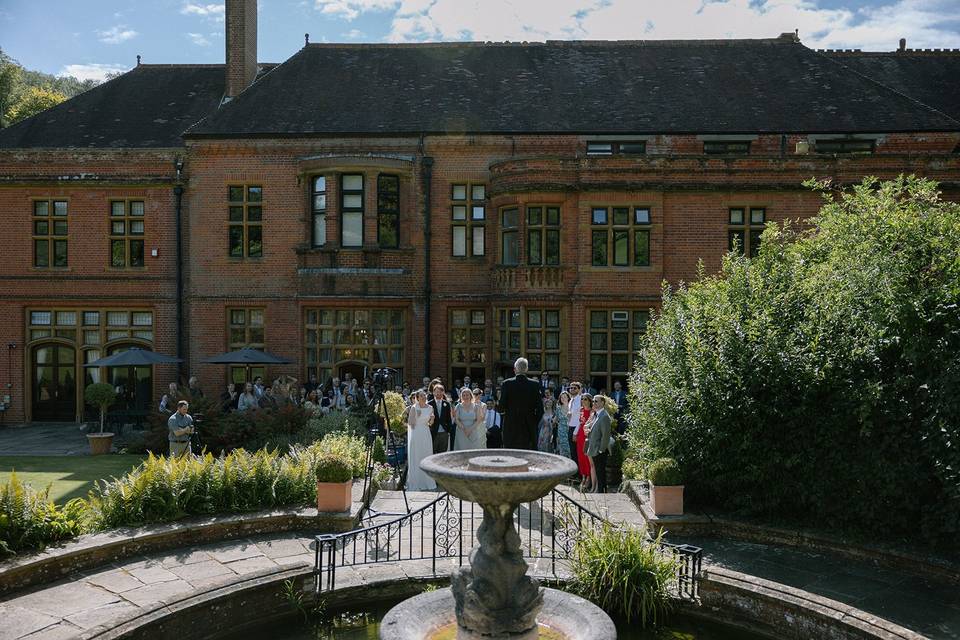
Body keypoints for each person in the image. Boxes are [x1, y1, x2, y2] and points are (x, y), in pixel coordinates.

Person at [498, 357, 544, 450]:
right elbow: (540, 409)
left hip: (510, 426)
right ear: (527, 369)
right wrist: (533, 421)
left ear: (515, 369)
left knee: (511, 456)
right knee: (529, 456)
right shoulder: (534, 385)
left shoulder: (506, 384)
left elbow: (501, 407)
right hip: (529, 426)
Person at [405, 390, 437, 491]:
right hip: (416, 433)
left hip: (426, 433)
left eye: (424, 395)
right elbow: (410, 423)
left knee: (426, 455)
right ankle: (416, 482)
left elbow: (430, 423)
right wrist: (416, 416)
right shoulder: (414, 407)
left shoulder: (430, 407)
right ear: (417, 398)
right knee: (417, 455)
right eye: (421, 396)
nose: (423, 397)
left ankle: (427, 481)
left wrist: (432, 419)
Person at [585, 395, 613, 493]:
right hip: (594, 448)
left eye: (596, 401)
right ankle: (599, 491)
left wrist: (601, 449)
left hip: (600, 450)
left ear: (602, 403)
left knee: (600, 472)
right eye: (593, 401)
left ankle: (602, 492)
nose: (594, 403)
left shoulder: (604, 416)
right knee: (598, 471)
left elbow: (605, 435)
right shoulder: (597, 414)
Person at [428, 384, 453, 454]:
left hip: (444, 432)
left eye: (440, 391)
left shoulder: (447, 404)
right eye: (436, 392)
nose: (438, 393)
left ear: (443, 392)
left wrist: (448, 430)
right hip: (433, 431)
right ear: (433, 392)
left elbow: (449, 418)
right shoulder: (429, 404)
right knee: (433, 451)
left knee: (443, 452)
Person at [576, 393, 593, 491]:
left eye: (585, 399)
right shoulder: (581, 410)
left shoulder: (592, 411)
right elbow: (579, 423)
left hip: (587, 436)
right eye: (582, 399)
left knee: (587, 456)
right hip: (580, 435)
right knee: (580, 456)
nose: (583, 401)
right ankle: (583, 476)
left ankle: (589, 477)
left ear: (590, 401)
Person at [565, 382, 584, 467]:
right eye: (571, 388)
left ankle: (579, 474)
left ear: (579, 389)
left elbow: (581, 417)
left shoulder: (581, 400)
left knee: (577, 451)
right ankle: (575, 472)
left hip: (577, 428)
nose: (572, 389)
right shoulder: (571, 400)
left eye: (574, 388)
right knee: (572, 451)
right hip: (570, 427)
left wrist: (575, 432)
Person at [555, 391, 572, 458]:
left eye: (565, 397)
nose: (563, 398)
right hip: (561, 431)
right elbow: (556, 419)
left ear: (568, 398)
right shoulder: (558, 408)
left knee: (570, 449)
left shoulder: (572, 407)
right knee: (562, 449)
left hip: (570, 430)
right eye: (561, 397)